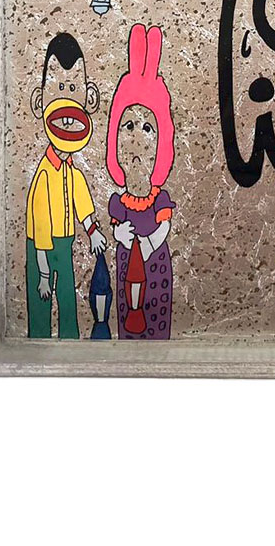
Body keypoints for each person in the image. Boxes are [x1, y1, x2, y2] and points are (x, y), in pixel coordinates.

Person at [25, 33, 108, 338]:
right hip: (41, 247)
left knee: (68, 298)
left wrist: (92, 229)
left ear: (89, 98)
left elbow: (81, 199)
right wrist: (43, 272)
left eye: (73, 89)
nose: (68, 103)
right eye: (60, 89)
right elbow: (40, 224)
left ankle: (70, 338)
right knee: (41, 300)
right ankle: (38, 343)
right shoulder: (44, 174)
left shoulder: (71, 172)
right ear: (40, 102)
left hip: (65, 242)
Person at [105, 24, 177, 339]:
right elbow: (115, 224)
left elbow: (164, 225)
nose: (137, 139)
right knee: (127, 318)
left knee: (156, 319)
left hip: (155, 263)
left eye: (148, 128)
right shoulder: (119, 202)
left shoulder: (159, 199)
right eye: (129, 126)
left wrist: (150, 243)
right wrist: (119, 234)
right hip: (126, 262)